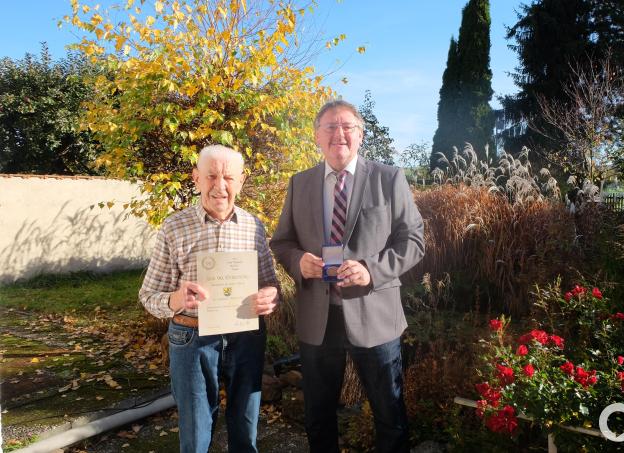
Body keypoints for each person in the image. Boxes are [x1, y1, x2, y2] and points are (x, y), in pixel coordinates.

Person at [270, 100, 425, 453]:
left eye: (347, 127)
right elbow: (282, 242)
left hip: (375, 317)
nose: (338, 134)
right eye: (330, 127)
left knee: (389, 413)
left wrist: (371, 268)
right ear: (316, 136)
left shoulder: (389, 178)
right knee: (318, 417)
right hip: (318, 320)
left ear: (360, 135)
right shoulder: (300, 183)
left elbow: (414, 241)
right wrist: (298, 262)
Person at [139, 144, 280, 453]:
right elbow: (149, 295)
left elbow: (271, 285)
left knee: (245, 427)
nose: (220, 186)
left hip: (245, 336)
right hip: (192, 337)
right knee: (196, 431)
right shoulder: (174, 227)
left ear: (241, 181)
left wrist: (271, 296)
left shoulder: (254, 227)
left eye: (228, 177)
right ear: (196, 178)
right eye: (211, 176)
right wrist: (177, 298)